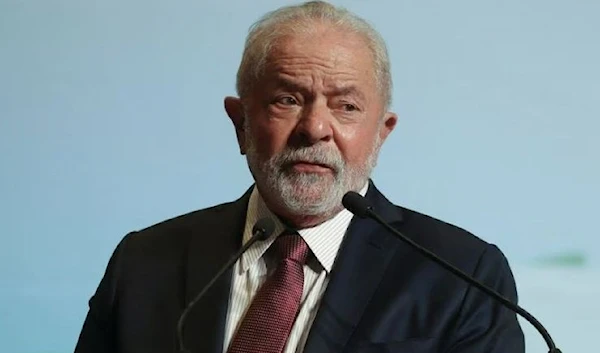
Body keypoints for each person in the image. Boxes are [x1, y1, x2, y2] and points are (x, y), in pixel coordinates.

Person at [75, 1, 525, 352]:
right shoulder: (143, 263)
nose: (315, 128)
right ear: (240, 124)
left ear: (381, 135)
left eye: (346, 106)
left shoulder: (463, 278)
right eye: (287, 99)